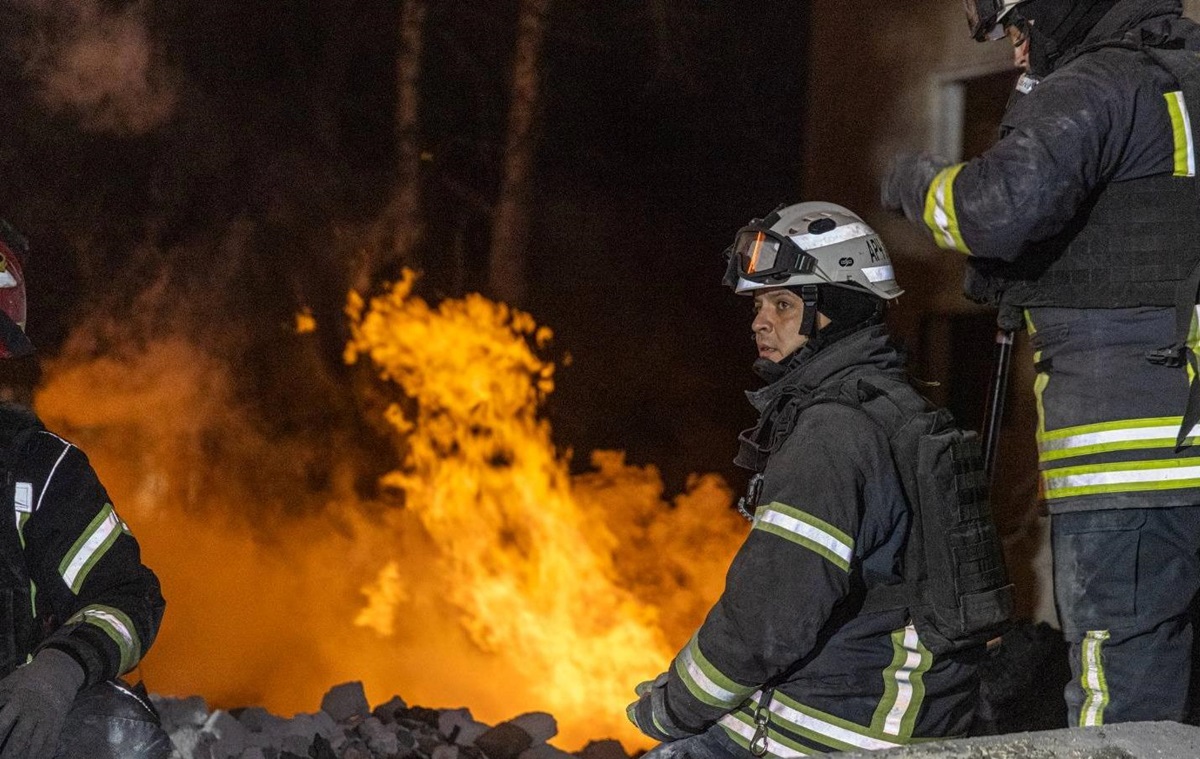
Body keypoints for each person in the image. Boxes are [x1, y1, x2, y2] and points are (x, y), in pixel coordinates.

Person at [880, 0, 1200, 727]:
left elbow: (994, 208)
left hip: (1129, 457)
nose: (1018, 54)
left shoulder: (1100, 83)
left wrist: (913, 181)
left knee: (1120, 707)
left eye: (1019, 30)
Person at [626, 202, 1006, 757]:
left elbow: (766, 620)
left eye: (783, 304)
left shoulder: (833, 433)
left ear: (841, 307)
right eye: (758, 304)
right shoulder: (896, 411)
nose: (760, 322)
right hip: (901, 715)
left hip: (830, 728)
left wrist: (672, 707)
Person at [0, 221, 170, 758]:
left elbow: (126, 597)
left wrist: (58, 670)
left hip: (9, 719)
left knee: (119, 734)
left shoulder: (38, 472)